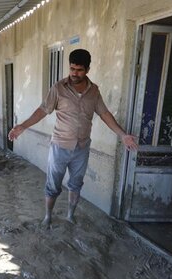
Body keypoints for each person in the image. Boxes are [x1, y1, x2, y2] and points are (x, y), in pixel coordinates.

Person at [8, 49, 139, 228]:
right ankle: (48, 216)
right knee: (53, 184)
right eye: (72, 69)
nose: (74, 74)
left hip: (82, 147)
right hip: (60, 146)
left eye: (79, 70)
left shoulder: (94, 91)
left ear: (87, 69)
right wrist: (23, 126)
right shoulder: (58, 88)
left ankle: (70, 215)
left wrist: (123, 135)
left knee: (76, 184)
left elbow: (105, 113)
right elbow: (42, 110)